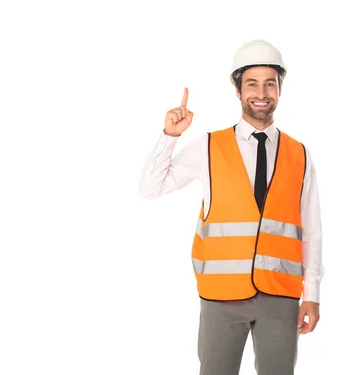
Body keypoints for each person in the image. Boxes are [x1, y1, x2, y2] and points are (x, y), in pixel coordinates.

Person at [138, 39, 323, 375]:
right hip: (220, 296)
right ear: (237, 90)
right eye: (251, 83)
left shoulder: (300, 153)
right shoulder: (208, 146)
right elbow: (150, 189)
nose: (262, 92)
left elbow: (311, 229)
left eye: (270, 83)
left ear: (280, 89)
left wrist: (312, 293)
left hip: (280, 295)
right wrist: (170, 135)